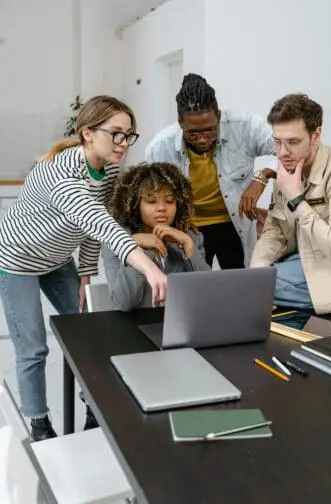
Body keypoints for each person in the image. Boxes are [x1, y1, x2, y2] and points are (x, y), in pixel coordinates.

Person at [0, 96, 166, 441]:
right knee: (33, 348)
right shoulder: (61, 173)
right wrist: (148, 267)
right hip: (17, 261)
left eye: (129, 135)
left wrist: (87, 271)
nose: (123, 143)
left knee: (90, 333)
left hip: (58, 260)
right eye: (116, 134)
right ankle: (39, 424)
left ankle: (93, 406)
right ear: (88, 133)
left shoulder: (107, 171)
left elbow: (90, 229)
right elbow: (98, 221)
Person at [251, 93, 331, 314]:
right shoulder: (288, 169)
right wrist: (256, 275)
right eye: (277, 141)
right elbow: (274, 232)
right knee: (246, 284)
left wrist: (296, 199)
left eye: (293, 142)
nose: (282, 152)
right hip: (302, 263)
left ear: (316, 135)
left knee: (240, 291)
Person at [145, 73, 276, 269]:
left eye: (209, 130)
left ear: (219, 116)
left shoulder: (246, 126)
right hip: (189, 227)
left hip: (233, 223)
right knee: (194, 286)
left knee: (239, 284)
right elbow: (149, 196)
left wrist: (261, 177)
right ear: (180, 122)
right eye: (193, 133)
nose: (202, 139)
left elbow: (290, 153)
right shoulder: (159, 147)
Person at [103, 162, 210, 310]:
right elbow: (125, 302)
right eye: (151, 201)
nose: (162, 208)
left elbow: (208, 293)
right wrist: (138, 247)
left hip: (181, 323)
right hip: (135, 326)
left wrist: (188, 244)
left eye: (170, 201)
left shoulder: (189, 235)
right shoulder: (117, 238)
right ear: (135, 204)